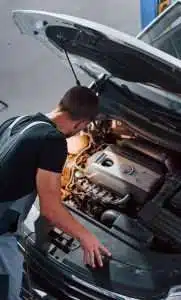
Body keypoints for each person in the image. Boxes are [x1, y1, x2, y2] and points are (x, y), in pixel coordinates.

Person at [0, 86, 112, 300]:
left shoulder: (17, 121)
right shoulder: (52, 141)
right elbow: (50, 210)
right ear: (82, 124)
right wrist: (86, 237)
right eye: (83, 128)